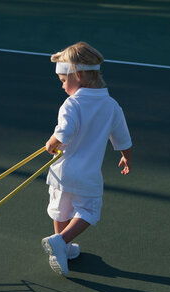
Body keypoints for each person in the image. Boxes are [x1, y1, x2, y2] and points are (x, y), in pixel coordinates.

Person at [41, 42, 133, 276]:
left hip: (62, 171)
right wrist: (126, 157)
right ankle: (63, 243)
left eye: (63, 80)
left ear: (78, 75)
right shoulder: (111, 106)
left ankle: (62, 244)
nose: (62, 86)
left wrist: (51, 143)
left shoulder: (72, 103)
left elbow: (64, 132)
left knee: (61, 209)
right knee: (88, 211)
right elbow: (122, 137)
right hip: (87, 175)